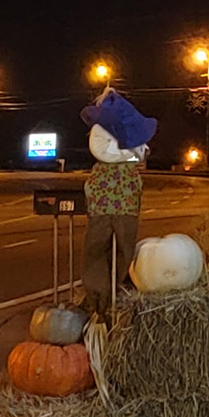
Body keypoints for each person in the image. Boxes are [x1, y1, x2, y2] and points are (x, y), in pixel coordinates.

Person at [79, 89, 156, 318]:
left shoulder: (127, 130)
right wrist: (128, 152)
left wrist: (129, 152)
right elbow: (105, 151)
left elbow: (139, 152)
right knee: (98, 243)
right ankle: (99, 296)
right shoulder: (100, 131)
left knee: (123, 244)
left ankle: (115, 290)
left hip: (123, 190)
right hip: (108, 190)